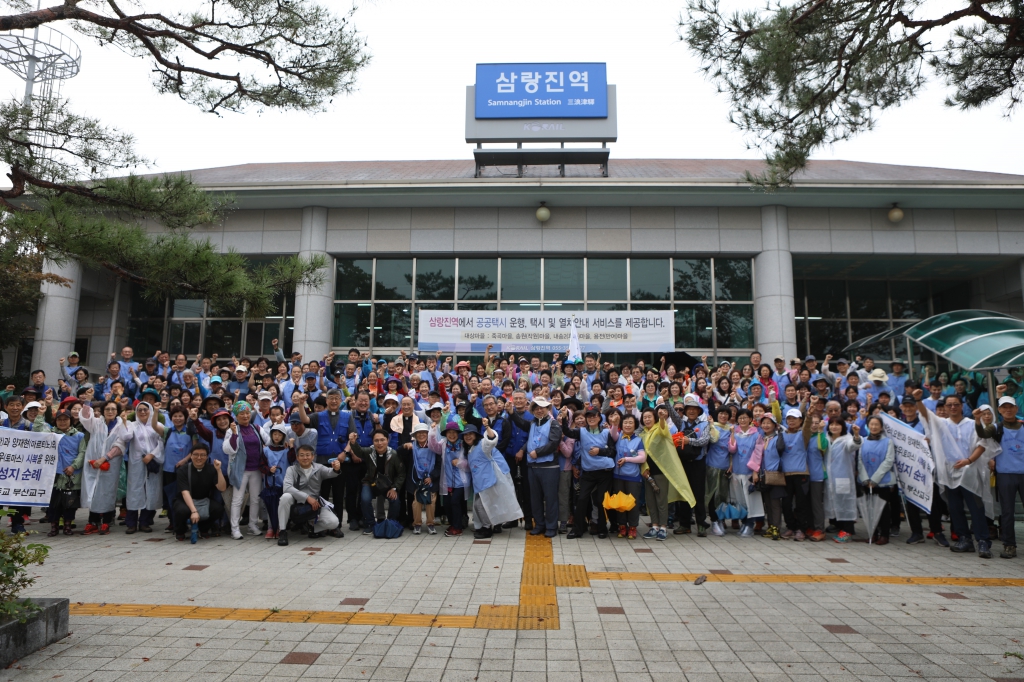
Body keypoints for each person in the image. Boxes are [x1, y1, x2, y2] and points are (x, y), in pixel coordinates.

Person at [640, 407, 696, 541]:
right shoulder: (642, 434)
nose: (647, 419)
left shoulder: (659, 429)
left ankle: (663, 527)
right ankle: (654, 526)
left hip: (660, 471)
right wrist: (644, 469)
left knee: (661, 500)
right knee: (650, 501)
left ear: (654, 418)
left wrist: (661, 418)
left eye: (649, 417)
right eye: (645, 417)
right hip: (647, 472)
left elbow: (663, 429)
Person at [510, 397, 563, 537]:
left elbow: (554, 443)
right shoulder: (532, 423)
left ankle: (551, 527)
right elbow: (521, 423)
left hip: (549, 467)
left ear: (547, 409)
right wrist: (511, 412)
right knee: (535, 498)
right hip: (533, 467)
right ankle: (539, 524)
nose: (539, 410)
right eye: (536, 408)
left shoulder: (554, 424)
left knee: (550, 498)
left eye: (542, 408)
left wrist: (538, 452)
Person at [277, 444, 343, 546]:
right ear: (297, 457)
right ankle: (282, 531)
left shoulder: (319, 468)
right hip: (296, 501)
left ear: (313, 456)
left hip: (314, 504)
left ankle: (312, 527)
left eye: (308, 455)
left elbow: (331, 473)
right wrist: (307, 497)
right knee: (285, 497)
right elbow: (287, 487)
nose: (305, 458)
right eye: (302, 455)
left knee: (334, 522)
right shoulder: (291, 469)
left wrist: (336, 468)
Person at [79, 400, 126, 535]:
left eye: (113, 409)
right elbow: (85, 417)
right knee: (94, 492)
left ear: (117, 411)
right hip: (93, 463)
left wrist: (105, 458)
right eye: (107, 409)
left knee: (108, 492)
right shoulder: (96, 423)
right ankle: (92, 522)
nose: (110, 412)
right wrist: (87, 401)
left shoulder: (122, 425)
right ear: (103, 411)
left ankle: (106, 521)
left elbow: (120, 445)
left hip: (111, 464)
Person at [120, 400, 166, 533]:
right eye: (139, 410)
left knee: (151, 490)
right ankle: (131, 523)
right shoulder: (132, 425)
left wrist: (152, 455)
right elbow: (126, 436)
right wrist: (124, 422)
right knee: (134, 490)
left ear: (150, 411)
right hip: (137, 462)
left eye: (145, 409)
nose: (142, 412)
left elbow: (162, 442)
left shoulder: (157, 425)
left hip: (153, 461)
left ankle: (145, 521)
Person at [222, 401, 265, 539]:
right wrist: (235, 434)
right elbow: (227, 449)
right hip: (240, 470)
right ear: (236, 415)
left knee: (255, 498)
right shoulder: (231, 430)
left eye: (247, 413)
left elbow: (269, 441)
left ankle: (253, 525)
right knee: (237, 499)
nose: (245, 416)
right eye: (242, 413)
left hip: (256, 469)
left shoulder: (256, 428)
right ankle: (234, 528)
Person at [351, 428, 405, 533]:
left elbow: (401, 473)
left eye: (382, 440)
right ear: (373, 441)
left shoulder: (394, 455)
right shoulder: (369, 452)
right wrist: (353, 442)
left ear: (387, 440)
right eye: (376, 440)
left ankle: (391, 523)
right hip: (370, 482)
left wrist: (394, 488)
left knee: (395, 500)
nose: (379, 443)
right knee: (365, 499)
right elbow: (359, 451)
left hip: (389, 484)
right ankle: (370, 524)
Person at [43, 408, 86, 536]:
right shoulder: (51, 434)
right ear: (55, 421)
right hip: (54, 475)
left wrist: (74, 466)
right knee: (53, 502)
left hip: (71, 475)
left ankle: (68, 526)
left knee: (70, 503)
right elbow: (38, 430)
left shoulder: (79, 436)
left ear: (70, 420)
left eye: (65, 419)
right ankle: (54, 527)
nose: (62, 422)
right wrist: (40, 414)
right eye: (59, 419)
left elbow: (82, 453)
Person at [173, 443, 228, 541]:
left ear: (207, 457)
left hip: (204, 500)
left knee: (218, 509)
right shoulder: (183, 470)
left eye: (202, 455)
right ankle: (180, 531)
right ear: (191, 455)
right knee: (182, 511)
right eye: (196, 454)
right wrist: (194, 511)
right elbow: (185, 493)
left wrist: (218, 470)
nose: (199, 458)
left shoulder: (211, 469)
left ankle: (203, 528)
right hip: (185, 500)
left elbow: (222, 488)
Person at [611, 413, 646, 539]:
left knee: (632, 503)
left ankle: (632, 527)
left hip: (633, 476)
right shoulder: (618, 437)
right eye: (625, 422)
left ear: (635, 425)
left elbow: (642, 458)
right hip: (618, 476)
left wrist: (627, 459)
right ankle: (622, 526)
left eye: (631, 423)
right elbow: (612, 434)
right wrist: (615, 424)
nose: (628, 425)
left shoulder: (638, 440)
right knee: (620, 503)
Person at [409, 422, 439, 534]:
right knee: (416, 503)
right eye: (418, 433)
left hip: (431, 480)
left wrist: (432, 477)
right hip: (417, 480)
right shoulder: (411, 447)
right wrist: (404, 446)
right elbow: (400, 452)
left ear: (428, 434)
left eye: (424, 432)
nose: (421, 435)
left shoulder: (434, 446)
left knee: (431, 502)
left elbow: (439, 465)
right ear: (415, 435)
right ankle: (417, 524)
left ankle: (430, 524)